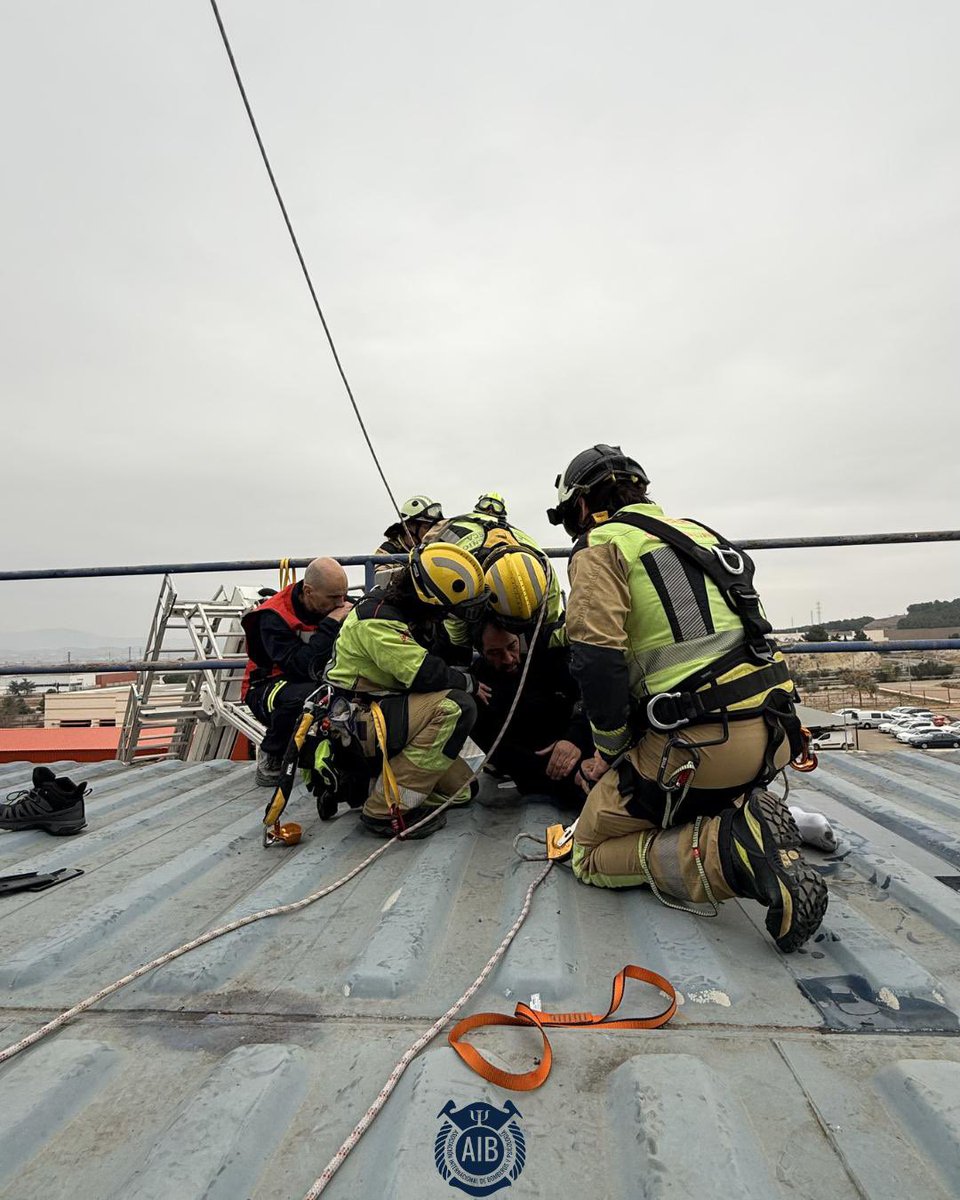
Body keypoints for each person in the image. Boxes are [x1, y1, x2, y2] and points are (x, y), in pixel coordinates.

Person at [546, 444, 828, 952]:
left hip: (705, 747)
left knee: (586, 852)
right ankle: (743, 812)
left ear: (582, 506)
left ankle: (731, 853)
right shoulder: (701, 534)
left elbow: (596, 660)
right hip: (777, 734)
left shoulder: (603, 545)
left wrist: (609, 753)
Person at [324, 542, 490, 837]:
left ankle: (379, 784)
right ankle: (385, 811)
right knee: (457, 706)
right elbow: (424, 674)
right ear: (430, 601)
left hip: (389, 711)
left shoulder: (408, 610)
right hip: (363, 722)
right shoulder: (377, 620)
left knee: (465, 791)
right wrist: (470, 683)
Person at [242, 557, 353, 786]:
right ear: (309, 591)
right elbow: (302, 667)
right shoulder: (272, 617)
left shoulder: (335, 602)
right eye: (334, 597)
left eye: (343, 595)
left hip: (316, 680)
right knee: (310, 698)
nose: (341, 602)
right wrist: (331, 624)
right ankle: (272, 753)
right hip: (268, 686)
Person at [472, 618, 592, 808]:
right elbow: (502, 753)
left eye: (512, 646)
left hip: (578, 744)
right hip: (538, 770)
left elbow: (591, 697)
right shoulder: (479, 688)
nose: (509, 658)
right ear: (481, 652)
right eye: (495, 653)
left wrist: (574, 738)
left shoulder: (549, 656)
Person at [425, 499, 565, 654]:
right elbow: (456, 629)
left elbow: (548, 625)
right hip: (443, 552)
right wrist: (467, 653)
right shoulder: (462, 576)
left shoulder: (546, 573)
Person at [374, 495, 445, 585]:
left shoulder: (435, 549)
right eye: (426, 527)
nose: (431, 531)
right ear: (410, 526)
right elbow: (380, 581)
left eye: (433, 527)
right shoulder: (388, 550)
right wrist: (412, 571)